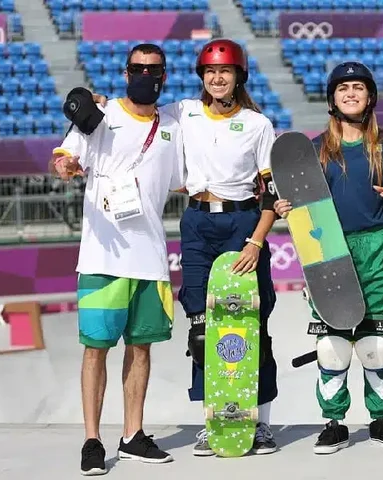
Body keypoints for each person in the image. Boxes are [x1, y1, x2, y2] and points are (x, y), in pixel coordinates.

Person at [86, 38, 281, 457]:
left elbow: (272, 192)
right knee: (201, 329)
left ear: (239, 77)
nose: (217, 79)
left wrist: (255, 241)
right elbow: (134, 108)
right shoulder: (182, 113)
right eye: (210, 72)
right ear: (201, 77)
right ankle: (215, 421)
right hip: (196, 221)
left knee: (252, 321)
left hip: (243, 221)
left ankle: (260, 422)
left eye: (225, 72)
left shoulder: (257, 124)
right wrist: (99, 101)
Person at [50, 43, 184, 475]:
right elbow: (66, 158)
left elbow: (187, 180)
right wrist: (68, 167)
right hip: (102, 256)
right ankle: (92, 440)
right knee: (95, 351)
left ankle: (133, 435)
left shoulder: (175, 124)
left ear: (163, 74)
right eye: (138, 68)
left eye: (154, 69)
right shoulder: (100, 116)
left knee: (141, 350)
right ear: (126, 73)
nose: (146, 74)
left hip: (149, 257)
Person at [274, 62, 383, 454]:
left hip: (376, 245)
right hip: (328, 248)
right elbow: (302, 206)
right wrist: (286, 208)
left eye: (358, 88)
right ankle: (333, 422)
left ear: (369, 97)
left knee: (376, 343)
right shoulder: (316, 150)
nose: (351, 94)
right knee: (331, 342)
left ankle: (382, 419)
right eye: (343, 88)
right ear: (333, 98)